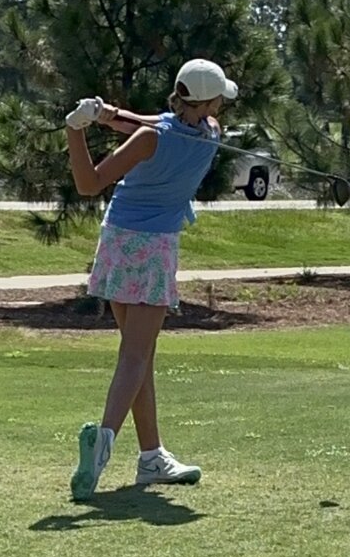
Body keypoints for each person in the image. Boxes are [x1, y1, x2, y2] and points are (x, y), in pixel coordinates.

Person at [64, 57, 238, 501]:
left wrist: (77, 129)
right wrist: (106, 114)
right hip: (156, 248)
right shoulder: (211, 134)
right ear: (208, 102)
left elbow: (89, 184)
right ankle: (103, 443)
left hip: (118, 242)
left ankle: (151, 456)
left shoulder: (149, 139)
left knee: (138, 355)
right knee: (137, 356)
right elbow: (151, 124)